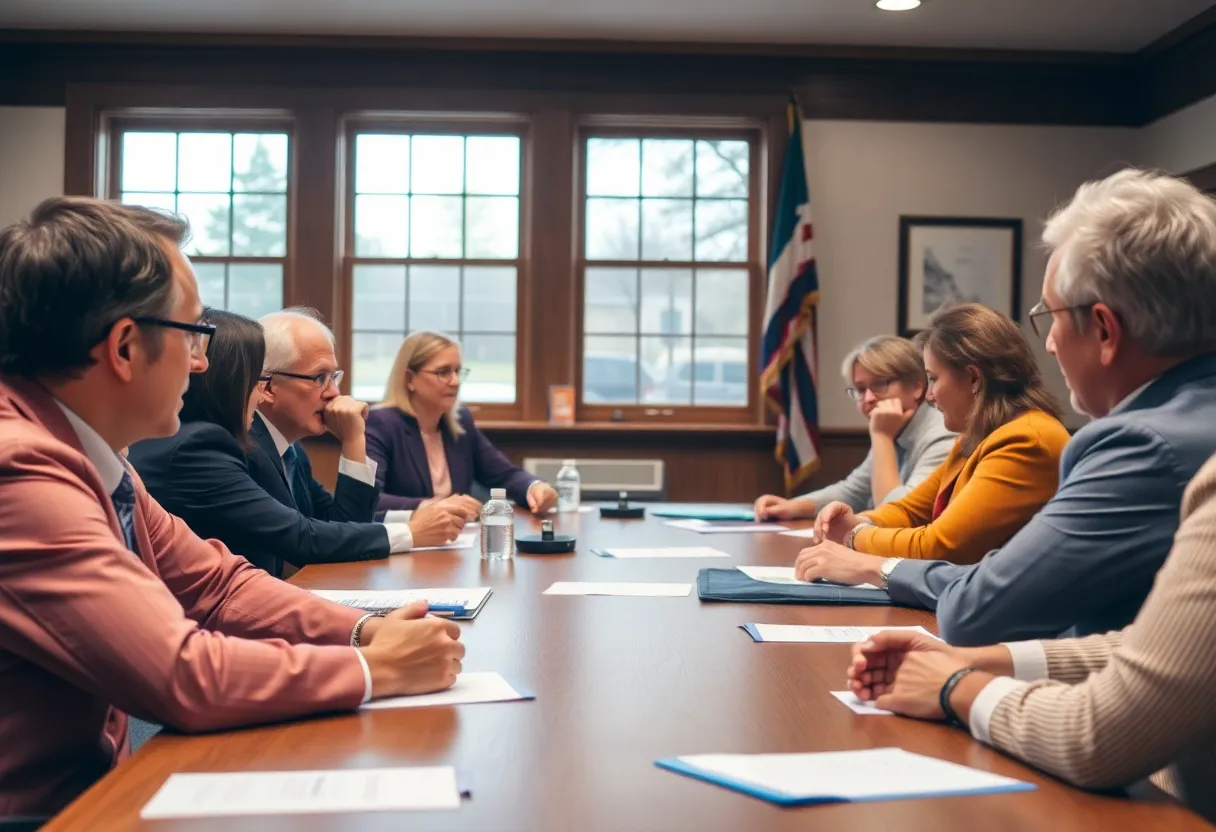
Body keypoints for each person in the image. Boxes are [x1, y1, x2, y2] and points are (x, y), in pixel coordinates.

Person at [0, 198, 464, 818]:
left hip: (99, 791)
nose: (203, 362)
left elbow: (217, 584)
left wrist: (364, 628)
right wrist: (373, 668)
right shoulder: (21, 473)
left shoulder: (95, 456)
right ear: (125, 347)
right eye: (194, 334)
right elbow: (180, 673)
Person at [800, 168, 1216, 646]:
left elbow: (976, 606)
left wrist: (863, 551)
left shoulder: (1134, 446)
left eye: (1050, 316)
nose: (1050, 343)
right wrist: (861, 527)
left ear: (1104, 329)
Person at [846, 448, 1216, 823]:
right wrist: (973, 661)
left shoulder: (1030, 440)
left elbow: (1104, 737)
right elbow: (1178, 645)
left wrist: (955, 685)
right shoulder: (967, 444)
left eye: (936, 385)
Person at [128, 310, 463, 578]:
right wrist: (411, 532)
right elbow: (302, 538)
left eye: (334, 377)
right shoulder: (211, 445)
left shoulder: (288, 447)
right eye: (319, 378)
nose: (334, 392)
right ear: (265, 386)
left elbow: (337, 525)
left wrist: (354, 444)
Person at [794, 303, 1069, 573]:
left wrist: (854, 536)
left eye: (933, 379)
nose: (929, 395)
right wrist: (860, 520)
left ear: (974, 379)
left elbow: (941, 546)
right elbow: (912, 510)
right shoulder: (978, 435)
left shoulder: (1025, 440)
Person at [754, 335, 955, 521]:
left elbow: (898, 514)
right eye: (860, 389)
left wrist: (881, 437)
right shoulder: (893, 426)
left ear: (916, 387)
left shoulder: (943, 434)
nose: (868, 398)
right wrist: (791, 506)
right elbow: (853, 492)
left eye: (880, 384)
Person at [366, 331, 558, 517]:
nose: (455, 381)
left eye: (457, 371)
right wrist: (432, 506)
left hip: (458, 535)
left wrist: (535, 487)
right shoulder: (381, 424)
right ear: (410, 379)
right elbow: (368, 499)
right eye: (443, 372)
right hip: (404, 535)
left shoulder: (460, 422)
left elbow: (504, 475)